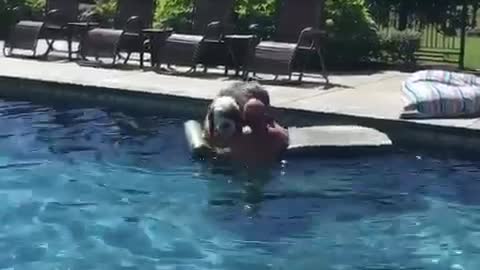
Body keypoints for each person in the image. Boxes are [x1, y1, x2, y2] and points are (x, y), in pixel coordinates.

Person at [228, 98, 289, 167]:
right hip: (268, 169)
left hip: (243, 170)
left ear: (244, 117)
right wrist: (273, 123)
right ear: (263, 116)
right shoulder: (274, 135)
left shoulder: (237, 137)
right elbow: (285, 137)